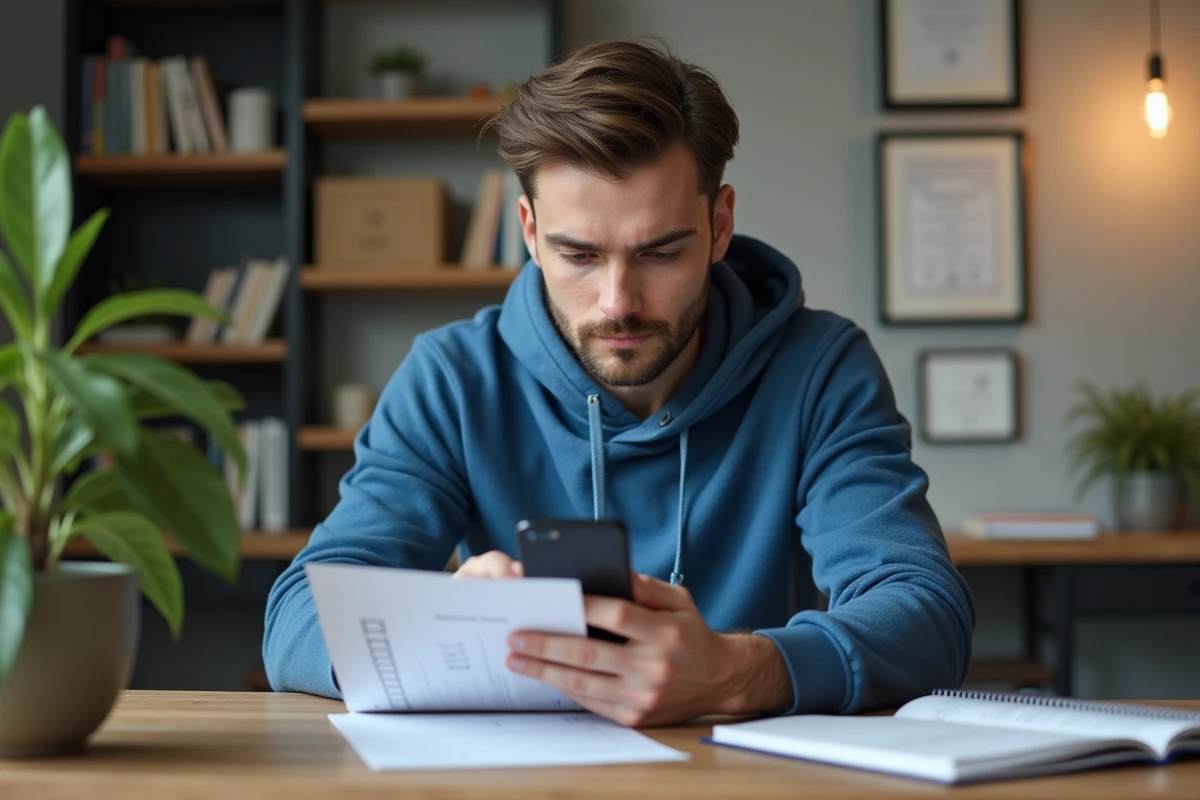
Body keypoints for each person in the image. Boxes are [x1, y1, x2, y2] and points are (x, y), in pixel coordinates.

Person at [264, 39, 975, 727]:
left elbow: (925, 610)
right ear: (530, 232)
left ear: (719, 224)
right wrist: (440, 634)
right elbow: (295, 614)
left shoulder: (821, 367)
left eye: (660, 252)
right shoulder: (453, 378)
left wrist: (739, 671)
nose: (618, 303)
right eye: (578, 254)